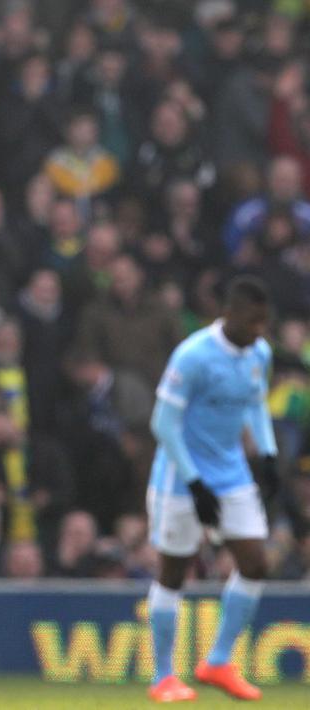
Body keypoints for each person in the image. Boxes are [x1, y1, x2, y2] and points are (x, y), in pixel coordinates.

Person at [145, 277, 278, 703]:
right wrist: (194, 482)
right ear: (231, 314)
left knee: (256, 563)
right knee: (173, 571)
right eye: (253, 321)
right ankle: (164, 676)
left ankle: (217, 661)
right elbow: (162, 424)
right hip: (181, 476)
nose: (260, 330)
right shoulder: (193, 356)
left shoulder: (260, 353)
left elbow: (255, 404)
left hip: (231, 472)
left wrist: (270, 455)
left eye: (264, 322)